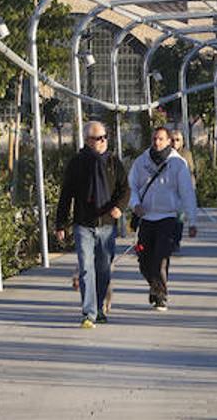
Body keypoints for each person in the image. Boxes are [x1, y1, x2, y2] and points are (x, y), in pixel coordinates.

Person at [55, 120, 129, 330]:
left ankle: (99, 308)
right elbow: (66, 194)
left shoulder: (114, 162)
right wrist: (61, 224)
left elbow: (125, 189)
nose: (103, 141)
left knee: (103, 269)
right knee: (86, 268)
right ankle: (90, 313)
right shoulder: (77, 163)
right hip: (83, 225)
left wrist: (119, 208)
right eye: (98, 138)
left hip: (107, 224)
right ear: (88, 141)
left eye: (105, 136)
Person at [128, 126, 197, 311]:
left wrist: (192, 220)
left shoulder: (178, 163)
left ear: (168, 141)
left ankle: (160, 295)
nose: (157, 142)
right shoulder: (141, 161)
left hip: (168, 217)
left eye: (161, 139)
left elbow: (187, 193)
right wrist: (135, 204)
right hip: (147, 217)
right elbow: (132, 186)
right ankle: (155, 285)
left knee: (160, 258)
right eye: (154, 139)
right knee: (144, 261)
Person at [169, 129, 196, 253]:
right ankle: (169, 239)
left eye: (177, 140)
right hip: (168, 190)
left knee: (179, 218)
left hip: (182, 190)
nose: (175, 142)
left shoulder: (186, 154)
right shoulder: (165, 153)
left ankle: (176, 241)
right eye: (172, 140)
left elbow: (191, 170)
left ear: (182, 142)